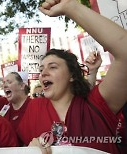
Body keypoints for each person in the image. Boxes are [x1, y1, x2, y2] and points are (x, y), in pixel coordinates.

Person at [17, 0, 127, 153]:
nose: (43, 73)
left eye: (53, 67)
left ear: (72, 76)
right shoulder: (34, 108)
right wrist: (29, 150)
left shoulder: (97, 103)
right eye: (41, 69)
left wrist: (70, 6)